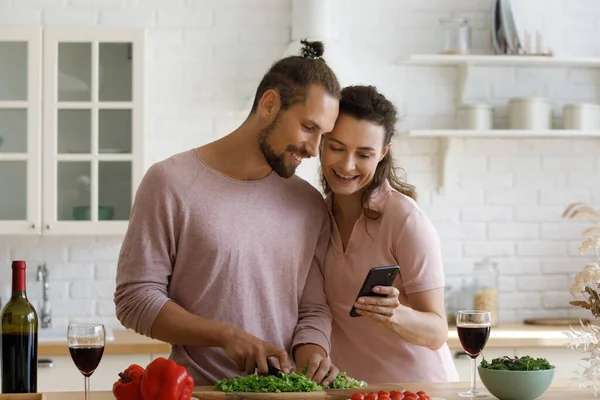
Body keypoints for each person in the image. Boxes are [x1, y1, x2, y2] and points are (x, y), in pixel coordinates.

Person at [114, 40, 342, 385]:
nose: (313, 149)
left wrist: (313, 353)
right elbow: (135, 299)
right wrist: (225, 335)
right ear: (269, 104)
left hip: (285, 394)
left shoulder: (309, 204)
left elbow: (311, 309)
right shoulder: (170, 183)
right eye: (308, 128)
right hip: (198, 392)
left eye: (322, 135)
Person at [316, 85, 459, 383]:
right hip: (353, 388)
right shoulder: (314, 218)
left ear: (383, 153)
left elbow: (436, 332)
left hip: (417, 387)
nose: (347, 165)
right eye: (337, 148)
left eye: (364, 154)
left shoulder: (405, 220)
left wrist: (394, 314)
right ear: (321, 142)